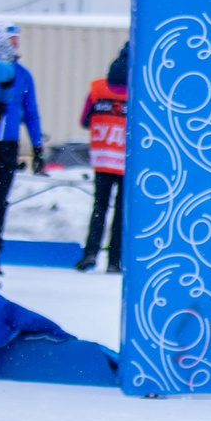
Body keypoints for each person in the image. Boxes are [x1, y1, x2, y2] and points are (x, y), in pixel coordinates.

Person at [0, 22, 47, 277]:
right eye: (11, 38)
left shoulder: (24, 75)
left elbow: (31, 112)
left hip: (9, 144)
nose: (16, 42)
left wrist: (37, 145)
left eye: (17, 38)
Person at [76, 44, 128, 272]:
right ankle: (114, 260)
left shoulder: (98, 89)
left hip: (103, 158)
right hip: (127, 161)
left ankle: (90, 253)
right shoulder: (139, 89)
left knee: (99, 208)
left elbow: (85, 121)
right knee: (121, 212)